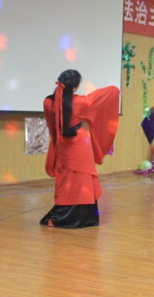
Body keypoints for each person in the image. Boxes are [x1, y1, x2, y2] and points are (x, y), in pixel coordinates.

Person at [40, 70, 120, 228]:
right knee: (82, 181)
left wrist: (55, 145)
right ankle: (85, 217)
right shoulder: (81, 102)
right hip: (80, 144)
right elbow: (110, 92)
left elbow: (52, 127)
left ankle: (62, 215)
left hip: (62, 144)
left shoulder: (48, 102)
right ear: (75, 87)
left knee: (65, 181)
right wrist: (116, 90)